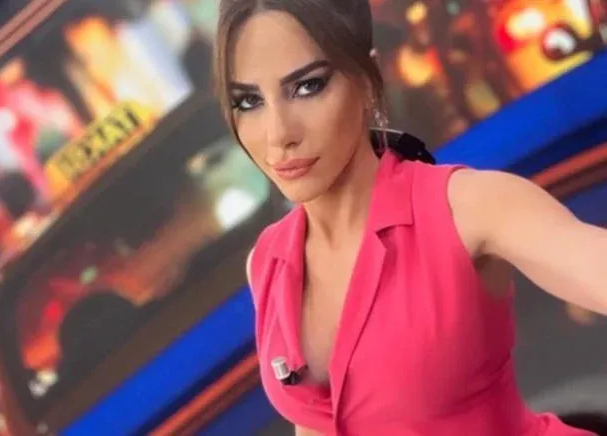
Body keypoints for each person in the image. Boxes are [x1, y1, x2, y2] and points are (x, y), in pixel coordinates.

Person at [212, 0, 607, 435]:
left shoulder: (466, 207)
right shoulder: (266, 263)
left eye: (307, 87)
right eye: (249, 101)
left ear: (368, 81)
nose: (278, 134)